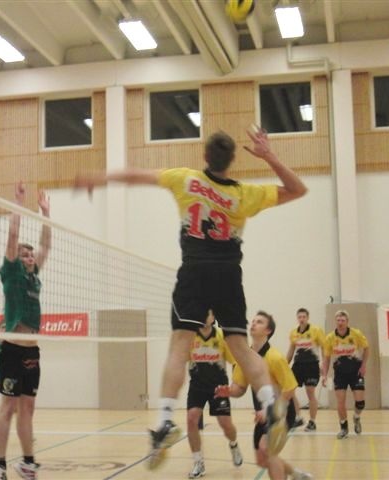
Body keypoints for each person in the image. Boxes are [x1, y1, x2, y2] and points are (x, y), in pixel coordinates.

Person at [74, 127, 308, 467]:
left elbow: (137, 175)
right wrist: (268, 155)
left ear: (205, 156)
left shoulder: (185, 179)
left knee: (179, 346)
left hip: (195, 271)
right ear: (232, 160)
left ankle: (165, 421)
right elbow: (298, 189)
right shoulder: (245, 194)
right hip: (228, 274)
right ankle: (272, 408)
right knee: (242, 349)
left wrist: (100, 177)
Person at [0, 183, 51, 480]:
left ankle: (27, 462)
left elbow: (46, 246)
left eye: (30, 255)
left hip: (31, 352)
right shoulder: (11, 273)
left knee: (28, 407)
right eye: (24, 254)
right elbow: (13, 237)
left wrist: (46, 214)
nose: (29, 257)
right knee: (8, 406)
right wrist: (18, 203)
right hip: (12, 349)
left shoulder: (33, 276)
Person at [218, 311, 313, 480]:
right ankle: (296, 474)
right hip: (262, 416)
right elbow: (240, 388)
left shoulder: (275, 357)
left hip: (282, 412)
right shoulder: (245, 358)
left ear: (268, 330)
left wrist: (271, 411)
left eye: (260, 322)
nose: (254, 323)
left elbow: (290, 388)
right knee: (262, 461)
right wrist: (230, 391)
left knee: (267, 451)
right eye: (253, 321)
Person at [186, 312, 243, 479]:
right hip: (197, 386)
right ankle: (198, 462)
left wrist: (236, 383)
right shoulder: (189, 336)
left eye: (209, 313)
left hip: (218, 387)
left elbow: (235, 362)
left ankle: (233, 444)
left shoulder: (222, 336)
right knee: (191, 419)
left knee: (226, 424)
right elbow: (178, 359)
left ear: (214, 317)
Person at [321, 310, 370, 439]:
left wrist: (363, 365)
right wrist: (324, 375)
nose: (340, 323)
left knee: (360, 403)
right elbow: (326, 358)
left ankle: (356, 417)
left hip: (356, 371)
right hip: (340, 373)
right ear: (335, 321)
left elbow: (366, 348)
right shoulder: (330, 338)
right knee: (340, 402)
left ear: (347, 321)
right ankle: (343, 428)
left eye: (343, 320)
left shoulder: (356, 334)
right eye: (338, 320)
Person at [285, 307, 325, 432]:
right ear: (297, 318)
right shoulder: (294, 333)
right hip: (297, 365)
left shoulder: (316, 330)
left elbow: (324, 348)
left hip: (312, 365)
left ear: (308, 318)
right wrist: (285, 365)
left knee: (310, 391)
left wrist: (324, 364)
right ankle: (298, 417)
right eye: (299, 317)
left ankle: (312, 422)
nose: (302, 319)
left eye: (304, 317)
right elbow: (291, 350)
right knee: (289, 391)